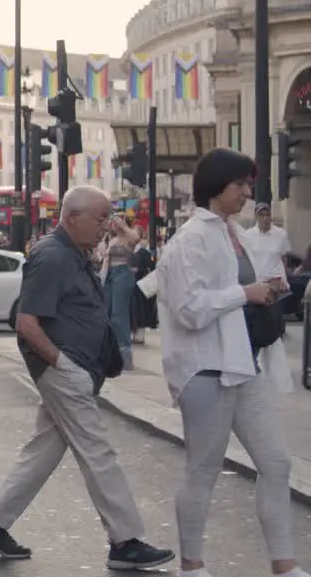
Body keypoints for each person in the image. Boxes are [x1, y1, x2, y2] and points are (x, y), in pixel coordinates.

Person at [0, 185, 174, 571]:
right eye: (100, 219)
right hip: (63, 372)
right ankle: (125, 540)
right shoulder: (51, 257)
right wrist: (63, 366)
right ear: (73, 217)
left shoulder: (74, 252)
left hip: (74, 370)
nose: (106, 227)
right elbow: (27, 323)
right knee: (98, 451)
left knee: (42, 451)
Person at [156, 148, 305, 577]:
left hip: (242, 362)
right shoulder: (191, 239)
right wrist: (246, 294)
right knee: (203, 469)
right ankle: (192, 565)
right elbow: (188, 309)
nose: (246, 193)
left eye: (248, 185)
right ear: (216, 186)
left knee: (276, 463)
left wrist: (266, 287)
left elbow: (235, 289)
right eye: (239, 184)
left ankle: (284, 564)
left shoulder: (230, 232)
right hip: (204, 368)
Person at [101, 216, 141, 369]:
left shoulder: (129, 236)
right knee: (108, 313)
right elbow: (105, 257)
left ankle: (124, 356)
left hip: (122, 274)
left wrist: (123, 226)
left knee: (119, 314)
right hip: (110, 274)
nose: (114, 224)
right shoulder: (112, 239)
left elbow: (136, 238)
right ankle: (111, 352)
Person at [246, 202, 292, 284]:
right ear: (256, 216)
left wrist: (282, 278)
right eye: (261, 215)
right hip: (258, 280)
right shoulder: (248, 235)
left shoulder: (281, 234)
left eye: (268, 215)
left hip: (276, 279)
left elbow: (284, 257)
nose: (265, 218)